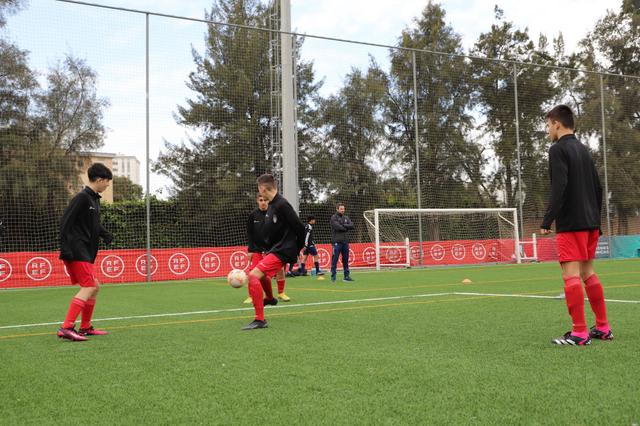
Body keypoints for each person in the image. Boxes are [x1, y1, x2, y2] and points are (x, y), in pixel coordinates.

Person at [541, 105, 612, 346]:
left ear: (557, 124)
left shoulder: (557, 150)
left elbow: (559, 187)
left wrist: (548, 219)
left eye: (548, 125)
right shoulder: (583, 149)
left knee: (570, 276)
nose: (548, 130)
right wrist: (596, 220)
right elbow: (598, 188)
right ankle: (603, 328)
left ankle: (580, 333)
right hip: (591, 223)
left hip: (572, 224)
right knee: (587, 273)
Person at [57, 163, 113, 341]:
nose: (108, 185)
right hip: (77, 249)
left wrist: (105, 234)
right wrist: (66, 248)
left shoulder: (94, 199)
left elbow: (93, 224)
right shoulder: (82, 198)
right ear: (99, 179)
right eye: (107, 181)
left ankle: (85, 327)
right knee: (89, 286)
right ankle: (66, 327)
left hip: (86, 251)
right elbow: (65, 223)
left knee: (95, 287)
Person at [243, 174, 305, 330]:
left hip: (283, 251)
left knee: (253, 276)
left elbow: (300, 228)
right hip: (276, 249)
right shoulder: (272, 205)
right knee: (262, 276)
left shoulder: (282, 205)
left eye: (259, 189)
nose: (259, 192)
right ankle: (270, 298)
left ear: (263, 188)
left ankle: (260, 320)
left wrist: (296, 250)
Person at [244, 193, 292, 304]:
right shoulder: (253, 215)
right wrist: (250, 250)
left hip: (272, 249)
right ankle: (251, 296)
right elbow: (250, 233)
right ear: (257, 201)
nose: (263, 202)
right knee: (253, 272)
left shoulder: (274, 214)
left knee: (280, 270)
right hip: (257, 249)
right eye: (261, 200)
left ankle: (281, 293)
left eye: (265, 200)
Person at [330, 203, 354, 282]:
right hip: (336, 242)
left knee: (345, 259)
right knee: (335, 259)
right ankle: (333, 276)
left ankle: (346, 276)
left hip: (345, 242)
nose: (343, 210)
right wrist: (346, 227)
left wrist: (344, 225)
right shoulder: (334, 217)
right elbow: (338, 227)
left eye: (343, 209)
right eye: (341, 209)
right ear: (337, 209)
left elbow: (352, 225)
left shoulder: (346, 217)